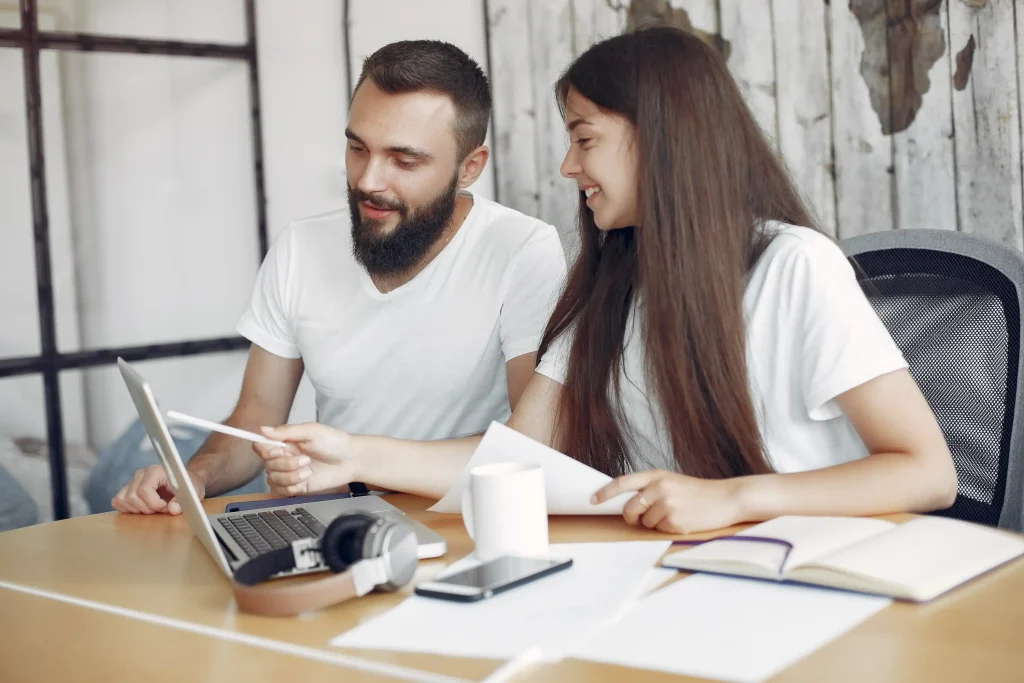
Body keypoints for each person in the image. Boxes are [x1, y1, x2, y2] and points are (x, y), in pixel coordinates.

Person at [253, 26, 958, 534]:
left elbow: (927, 471)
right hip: (682, 582)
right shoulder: (607, 283)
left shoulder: (794, 267)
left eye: (584, 138)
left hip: (820, 581)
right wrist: (351, 453)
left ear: (661, 137)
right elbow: (517, 457)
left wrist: (736, 499)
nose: (567, 167)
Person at [110, 40, 566, 515]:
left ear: (469, 167)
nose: (368, 180)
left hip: (467, 520)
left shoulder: (522, 251)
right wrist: (194, 474)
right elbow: (255, 419)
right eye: (357, 148)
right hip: (335, 523)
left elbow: (529, 447)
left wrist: (354, 458)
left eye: (404, 161)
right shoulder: (300, 249)